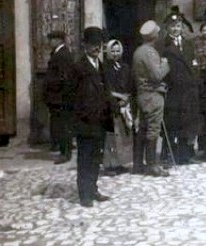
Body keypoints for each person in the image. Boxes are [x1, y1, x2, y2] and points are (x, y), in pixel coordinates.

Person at [71, 27, 114, 208]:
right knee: (85, 158)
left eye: (99, 45)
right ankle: (84, 194)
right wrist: (80, 116)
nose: (97, 48)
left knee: (97, 156)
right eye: (93, 45)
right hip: (85, 122)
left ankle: (93, 188)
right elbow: (71, 96)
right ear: (85, 46)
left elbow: (105, 91)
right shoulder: (78, 67)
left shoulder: (100, 65)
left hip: (100, 121)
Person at [132, 20, 171, 177]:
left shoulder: (139, 51)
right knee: (153, 129)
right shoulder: (149, 52)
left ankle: (138, 164)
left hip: (142, 95)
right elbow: (157, 75)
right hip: (152, 95)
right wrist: (165, 64)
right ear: (154, 36)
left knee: (143, 128)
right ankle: (152, 165)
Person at [162, 12, 200, 165]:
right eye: (172, 26)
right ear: (167, 28)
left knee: (186, 123)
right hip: (173, 91)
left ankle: (184, 155)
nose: (175, 29)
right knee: (172, 124)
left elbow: (194, 65)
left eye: (178, 26)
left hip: (188, 90)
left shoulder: (189, 44)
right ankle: (169, 154)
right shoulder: (163, 45)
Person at [102, 39, 132, 175]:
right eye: (112, 51)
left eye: (117, 50)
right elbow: (106, 88)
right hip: (111, 105)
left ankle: (120, 163)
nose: (115, 53)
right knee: (111, 137)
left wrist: (127, 99)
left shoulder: (125, 67)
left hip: (124, 105)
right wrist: (116, 101)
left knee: (122, 136)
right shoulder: (105, 68)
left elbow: (129, 84)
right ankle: (109, 165)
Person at [44, 30, 74, 164]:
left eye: (51, 39)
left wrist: (55, 89)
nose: (49, 42)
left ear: (58, 40)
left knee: (63, 125)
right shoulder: (58, 54)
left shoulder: (62, 55)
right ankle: (63, 149)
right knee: (60, 124)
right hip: (57, 97)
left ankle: (65, 153)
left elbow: (64, 78)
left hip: (61, 97)